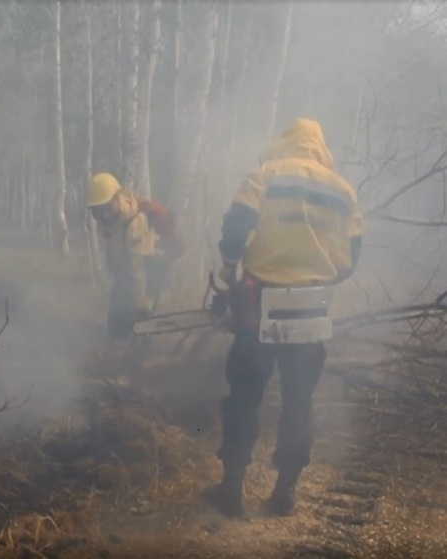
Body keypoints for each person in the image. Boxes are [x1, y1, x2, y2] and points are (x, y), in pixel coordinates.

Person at [205, 118, 363, 518]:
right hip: (313, 307)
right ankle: (285, 491)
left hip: (261, 300)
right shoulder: (344, 191)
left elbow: (237, 222)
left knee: (244, 395)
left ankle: (231, 490)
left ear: (286, 142)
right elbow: (351, 257)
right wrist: (317, 275)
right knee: (299, 402)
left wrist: (229, 264)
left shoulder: (267, 174)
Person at [87, 172, 184, 339]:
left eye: (106, 208)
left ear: (117, 198)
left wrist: (141, 306)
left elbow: (139, 268)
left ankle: (139, 353)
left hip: (146, 277)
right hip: (125, 275)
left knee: (141, 326)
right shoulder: (112, 221)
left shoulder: (134, 224)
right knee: (116, 325)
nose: (104, 216)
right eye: (98, 211)